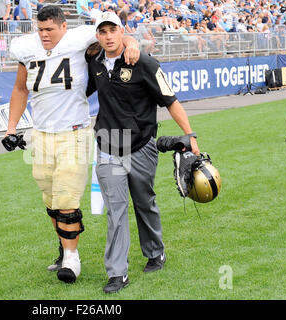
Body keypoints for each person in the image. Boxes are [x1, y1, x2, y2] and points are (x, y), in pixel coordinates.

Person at [6, 6, 140, 284]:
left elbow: (112, 33)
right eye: (40, 29)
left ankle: (71, 258)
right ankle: (64, 247)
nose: (44, 35)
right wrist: (10, 128)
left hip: (74, 131)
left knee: (66, 196)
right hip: (40, 133)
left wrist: (133, 43)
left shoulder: (79, 38)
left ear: (63, 27)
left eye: (49, 30)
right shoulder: (25, 47)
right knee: (51, 198)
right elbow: (20, 89)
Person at [86, 12, 200, 294]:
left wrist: (190, 135)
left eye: (114, 30)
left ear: (121, 31)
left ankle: (155, 251)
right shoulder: (93, 63)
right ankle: (117, 273)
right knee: (116, 210)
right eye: (103, 31)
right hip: (109, 145)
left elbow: (170, 100)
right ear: (97, 36)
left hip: (141, 145)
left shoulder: (144, 63)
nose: (109, 36)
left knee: (144, 201)